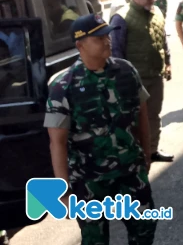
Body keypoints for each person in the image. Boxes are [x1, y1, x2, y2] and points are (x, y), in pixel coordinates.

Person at [45, 14, 157, 244]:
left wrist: (146, 154)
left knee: (145, 229)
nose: (107, 41)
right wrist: (64, 191)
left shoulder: (126, 71)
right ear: (80, 45)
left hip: (130, 172)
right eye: (98, 38)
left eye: (106, 36)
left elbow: (142, 115)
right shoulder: (63, 86)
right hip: (90, 181)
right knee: (95, 240)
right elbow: (57, 142)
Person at [110, 0, 174, 163]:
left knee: (154, 114)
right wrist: (121, 77)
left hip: (155, 75)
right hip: (134, 79)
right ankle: (135, 153)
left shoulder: (157, 12)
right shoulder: (121, 18)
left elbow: (162, 40)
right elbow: (116, 50)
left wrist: (167, 62)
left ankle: (152, 150)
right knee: (133, 117)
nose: (152, 0)